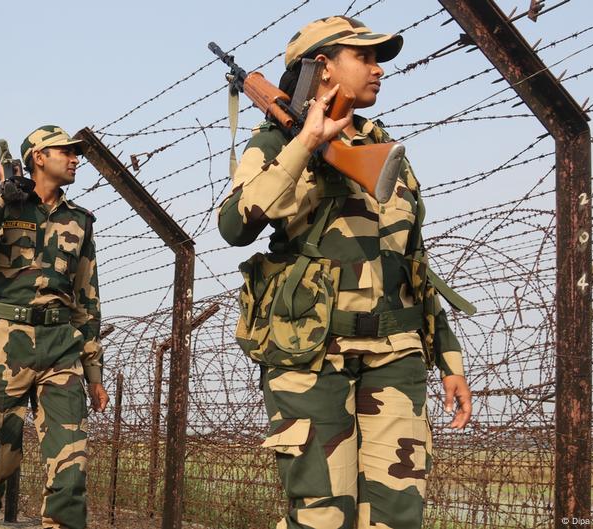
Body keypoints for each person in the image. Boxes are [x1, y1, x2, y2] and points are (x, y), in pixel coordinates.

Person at [218, 16, 473, 529]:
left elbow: (414, 263)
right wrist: (305, 144)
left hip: (397, 352)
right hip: (311, 351)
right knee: (322, 515)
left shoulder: (387, 151)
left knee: (397, 516)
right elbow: (234, 225)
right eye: (366, 57)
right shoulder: (273, 144)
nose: (379, 69)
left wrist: (449, 360)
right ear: (323, 67)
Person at [0, 125, 108, 529]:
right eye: (66, 152)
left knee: (71, 463)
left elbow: (87, 299)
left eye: (76, 153)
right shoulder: (7, 205)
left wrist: (94, 372)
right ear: (38, 157)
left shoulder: (80, 221)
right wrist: (0, 196)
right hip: (5, 341)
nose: (76, 158)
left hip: (61, 344)